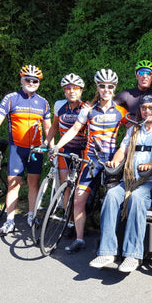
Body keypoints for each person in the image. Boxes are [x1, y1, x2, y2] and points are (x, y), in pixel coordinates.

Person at [89, 94, 152, 272]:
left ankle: (132, 254)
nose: (147, 111)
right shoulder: (134, 130)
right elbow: (122, 150)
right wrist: (115, 162)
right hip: (131, 180)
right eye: (143, 108)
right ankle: (107, 251)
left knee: (138, 198)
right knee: (111, 195)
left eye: (151, 107)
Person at [52, 69, 128, 253]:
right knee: (78, 200)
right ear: (97, 87)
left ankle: (112, 241)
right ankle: (79, 239)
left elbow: (133, 130)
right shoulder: (88, 110)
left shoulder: (120, 111)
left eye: (110, 86)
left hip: (112, 162)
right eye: (102, 86)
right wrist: (57, 146)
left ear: (114, 88)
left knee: (112, 202)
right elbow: (75, 129)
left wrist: (123, 151)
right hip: (91, 161)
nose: (106, 89)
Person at [0, 64, 51, 235]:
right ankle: (10, 221)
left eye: (35, 80)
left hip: (36, 150)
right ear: (21, 80)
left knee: (33, 183)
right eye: (28, 79)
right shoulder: (11, 98)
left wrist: (51, 148)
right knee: (13, 185)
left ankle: (31, 215)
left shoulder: (43, 103)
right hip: (17, 149)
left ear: (39, 83)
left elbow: (48, 128)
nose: (31, 82)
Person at [31, 73, 87, 228]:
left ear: (81, 91)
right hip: (64, 149)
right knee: (65, 183)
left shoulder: (85, 108)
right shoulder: (59, 105)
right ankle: (68, 222)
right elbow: (54, 126)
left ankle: (78, 218)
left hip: (81, 150)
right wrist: (47, 141)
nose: (71, 91)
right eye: (68, 88)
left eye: (75, 88)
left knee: (79, 188)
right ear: (64, 91)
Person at [114, 60, 152, 125]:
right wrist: (123, 120)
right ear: (136, 76)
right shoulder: (126, 94)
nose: (145, 76)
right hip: (133, 132)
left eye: (149, 73)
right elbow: (109, 108)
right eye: (141, 73)